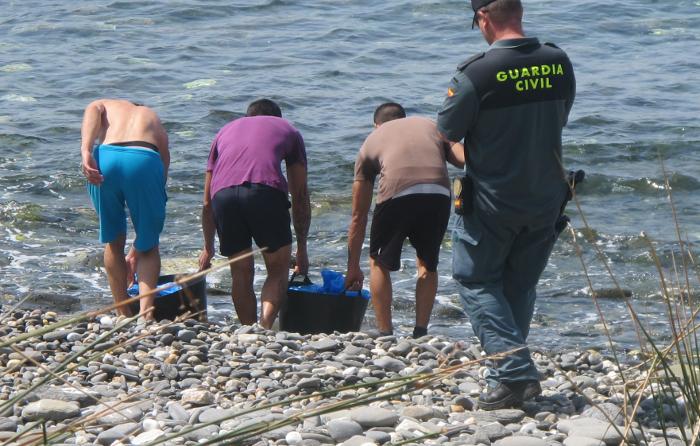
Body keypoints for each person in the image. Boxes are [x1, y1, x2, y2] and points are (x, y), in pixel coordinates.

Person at [437, 0, 576, 410]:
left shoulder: (474, 74)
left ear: (483, 18)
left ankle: (514, 373)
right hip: (547, 197)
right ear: (519, 11)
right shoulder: (558, 62)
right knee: (519, 284)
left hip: (494, 200)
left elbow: (449, 134)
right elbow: (559, 119)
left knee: (476, 280)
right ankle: (507, 376)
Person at [345, 103, 465, 338]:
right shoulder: (431, 125)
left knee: (378, 261)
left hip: (397, 196)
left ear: (376, 124)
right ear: (404, 118)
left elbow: (358, 217)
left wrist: (352, 268)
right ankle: (420, 331)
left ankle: (385, 331)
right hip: (438, 195)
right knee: (427, 264)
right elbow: (461, 159)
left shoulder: (373, 138)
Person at [198, 99, 310, 329]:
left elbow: (207, 201)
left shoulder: (224, 131)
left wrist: (207, 247)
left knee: (240, 271)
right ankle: (265, 326)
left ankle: (248, 329)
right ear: (276, 118)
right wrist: (302, 250)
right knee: (278, 269)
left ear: (247, 116)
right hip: (264, 193)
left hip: (223, 197)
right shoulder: (288, 129)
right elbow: (299, 195)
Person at [81, 99, 170, 320]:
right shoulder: (150, 114)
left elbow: (94, 108)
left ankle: (122, 311)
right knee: (149, 245)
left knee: (114, 240)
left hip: (106, 156)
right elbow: (164, 160)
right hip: (144, 159)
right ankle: (145, 314)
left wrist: (86, 150)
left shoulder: (108, 104)